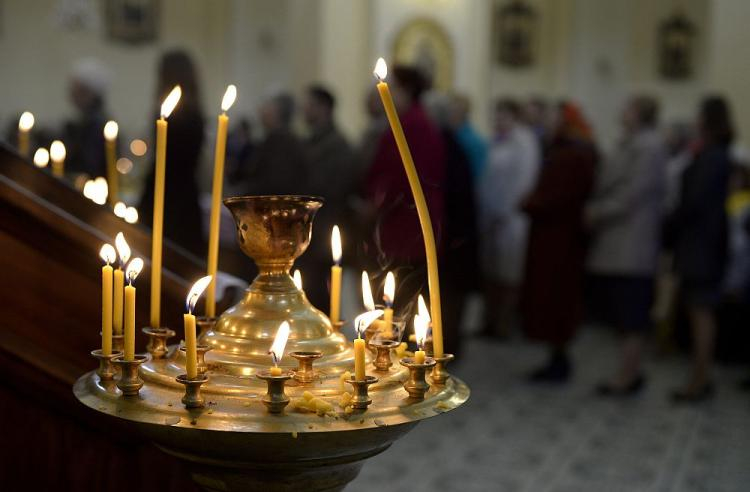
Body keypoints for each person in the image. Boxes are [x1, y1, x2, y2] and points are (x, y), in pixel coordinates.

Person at [585, 96, 668, 395]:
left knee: (632, 314)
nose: (622, 111)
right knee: (623, 314)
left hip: (632, 244)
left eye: (628, 107)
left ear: (640, 113)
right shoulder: (630, 143)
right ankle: (629, 371)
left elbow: (633, 193)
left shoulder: (650, 147)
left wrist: (596, 211)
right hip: (618, 242)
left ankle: (627, 376)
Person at [363, 66, 446, 325]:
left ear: (407, 90)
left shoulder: (414, 124)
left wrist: (377, 202)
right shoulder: (409, 121)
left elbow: (403, 175)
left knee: (400, 303)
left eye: (395, 87)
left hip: (408, 223)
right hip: (400, 221)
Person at [521, 102, 597, 383]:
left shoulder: (573, 154)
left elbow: (560, 196)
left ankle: (559, 359)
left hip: (560, 241)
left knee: (557, 298)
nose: (547, 122)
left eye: (552, 117)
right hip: (551, 238)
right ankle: (555, 356)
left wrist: (530, 203)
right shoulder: (560, 150)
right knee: (549, 298)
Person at [665, 96, 733, 402]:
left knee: (700, 313)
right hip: (703, 244)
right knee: (698, 312)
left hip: (701, 247)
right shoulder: (715, 155)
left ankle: (699, 380)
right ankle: (700, 377)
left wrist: (669, 224)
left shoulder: (713, 157)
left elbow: (694, 202)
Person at [478, 99, 540, 339]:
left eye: (503, 115)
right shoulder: (495, 141)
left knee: (509, 274)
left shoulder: (524, 141)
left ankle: (504, 324)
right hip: (490, 216)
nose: (498, 120)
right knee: (491, 273)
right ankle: (489, 321)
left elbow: (525, 180)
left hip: (512, 217)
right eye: (496, 115)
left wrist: (506, 210)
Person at [425, 92, 480, 356]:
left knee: (450, 295)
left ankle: (447, 347)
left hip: (455, 236)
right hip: (452, 234)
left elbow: (453, 196)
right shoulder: (446, 144)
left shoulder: (447, 147)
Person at [139, 50, 205, 257]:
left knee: (162, 254)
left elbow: (167, 160)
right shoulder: (196, 112)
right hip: (187, 195)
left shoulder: (172, 116)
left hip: (166, 196)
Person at [299, 84, 356, 311]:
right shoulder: (311, 141)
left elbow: (334, 189)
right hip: (308, 230)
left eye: (310, 106)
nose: (305, 110)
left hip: (324, 228)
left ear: (324, 108)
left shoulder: (338, 146)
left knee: (321, 297)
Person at [242, 92, 309, 196]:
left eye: (267, 107)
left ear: (278, 113)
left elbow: (274, 183)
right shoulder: (275, 139)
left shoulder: (282, 143)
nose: (261, 111)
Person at [62, 58, 112, 178]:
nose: (71, 94)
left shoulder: (97, 124)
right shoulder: (86, 121)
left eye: (76, 90)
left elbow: (89, 165)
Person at [448, 93, 488, 181]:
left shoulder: (475, 141)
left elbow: (478, 174)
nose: (451, 114)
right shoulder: (447, 136)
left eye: (456, 111)